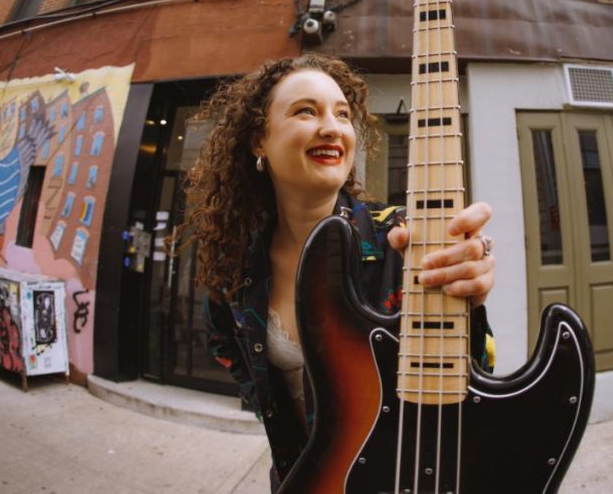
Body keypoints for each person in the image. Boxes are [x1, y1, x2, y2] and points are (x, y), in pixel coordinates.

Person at [185, 54, 496, 491]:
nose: (332, 127)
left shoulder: (402, 238)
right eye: (306, 111)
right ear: (259, 139)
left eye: (343, 114)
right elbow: (222, 338)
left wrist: (468, 293)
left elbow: (475, 374)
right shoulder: (236, 261)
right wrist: (269, 408)